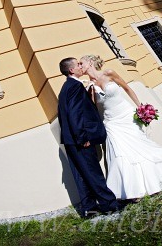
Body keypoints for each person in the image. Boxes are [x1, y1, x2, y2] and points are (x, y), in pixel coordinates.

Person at [79, 54, 162, 200]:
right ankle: (131, 190)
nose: (79, 66)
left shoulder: (109, 73)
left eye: (81, 63)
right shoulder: (90, 87)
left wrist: (141, 108)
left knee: (139, 144)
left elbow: (127, 88)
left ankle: (152, 177)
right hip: (111, 122)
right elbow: (93, 110)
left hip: (125, 114)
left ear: (90, 63)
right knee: (119, 152)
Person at [57, 57, 121, 218]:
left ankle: (88, 209)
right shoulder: (74, 86)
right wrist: (82, 137)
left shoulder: (66, 87)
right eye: (78, 64)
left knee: (81, 174)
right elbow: (75, 114)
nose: (80, 66)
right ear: (71, 70)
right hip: (79, 138)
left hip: (70, 139)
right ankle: (109, 204)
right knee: (93, 172)